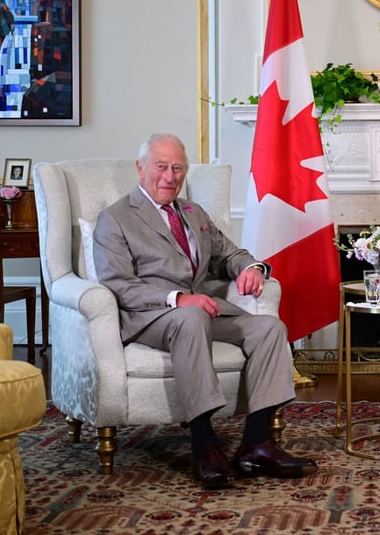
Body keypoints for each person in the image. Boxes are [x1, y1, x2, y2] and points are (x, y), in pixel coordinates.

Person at [93, 132, 316, 489]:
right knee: (193, 315)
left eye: (178, 168)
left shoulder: (194, 213)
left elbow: (230, 254)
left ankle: (256, 443)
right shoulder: (116, 218)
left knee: (270, 328)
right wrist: (177, 299)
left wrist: (252, 269)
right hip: (149, 317)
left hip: (200, 312)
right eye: (161, 167)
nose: (170, 177)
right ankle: (204, 445)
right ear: (141, 167)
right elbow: (118, 283)